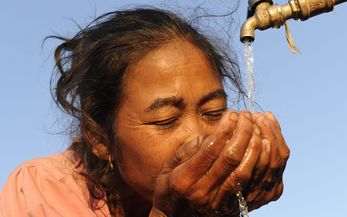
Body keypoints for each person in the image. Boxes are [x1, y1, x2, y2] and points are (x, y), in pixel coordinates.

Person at [0, 8, 290, 217]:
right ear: (99, 139)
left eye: (214, 112)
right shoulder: (40, 190)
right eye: (166, 120)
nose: (198, 137)